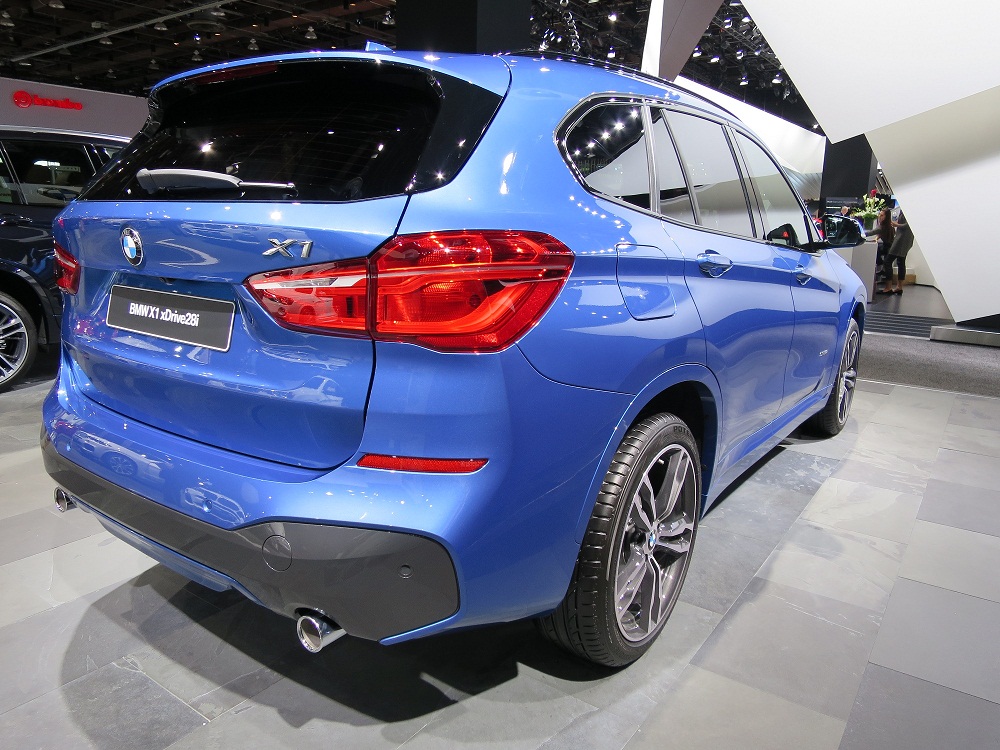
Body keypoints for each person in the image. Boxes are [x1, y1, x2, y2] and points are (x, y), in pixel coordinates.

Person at [883, 211, 913, 294]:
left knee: (888, 261)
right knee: (901, 261)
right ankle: (899, 287)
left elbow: (908, 225)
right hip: (906, 239)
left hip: (901, 239)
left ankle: (888, 287)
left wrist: (897, 225)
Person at [866, 208, 895, 291]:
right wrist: (876, 238)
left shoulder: (883, 227)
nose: (879, 216)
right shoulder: (888, 226)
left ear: (886, 217)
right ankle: (882, 268)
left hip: (889, 248)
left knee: (887, 265)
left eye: (882, 215)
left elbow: (870, 233)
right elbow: (881, 234)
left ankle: (888, 287)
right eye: (879, 215)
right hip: (888, 246)